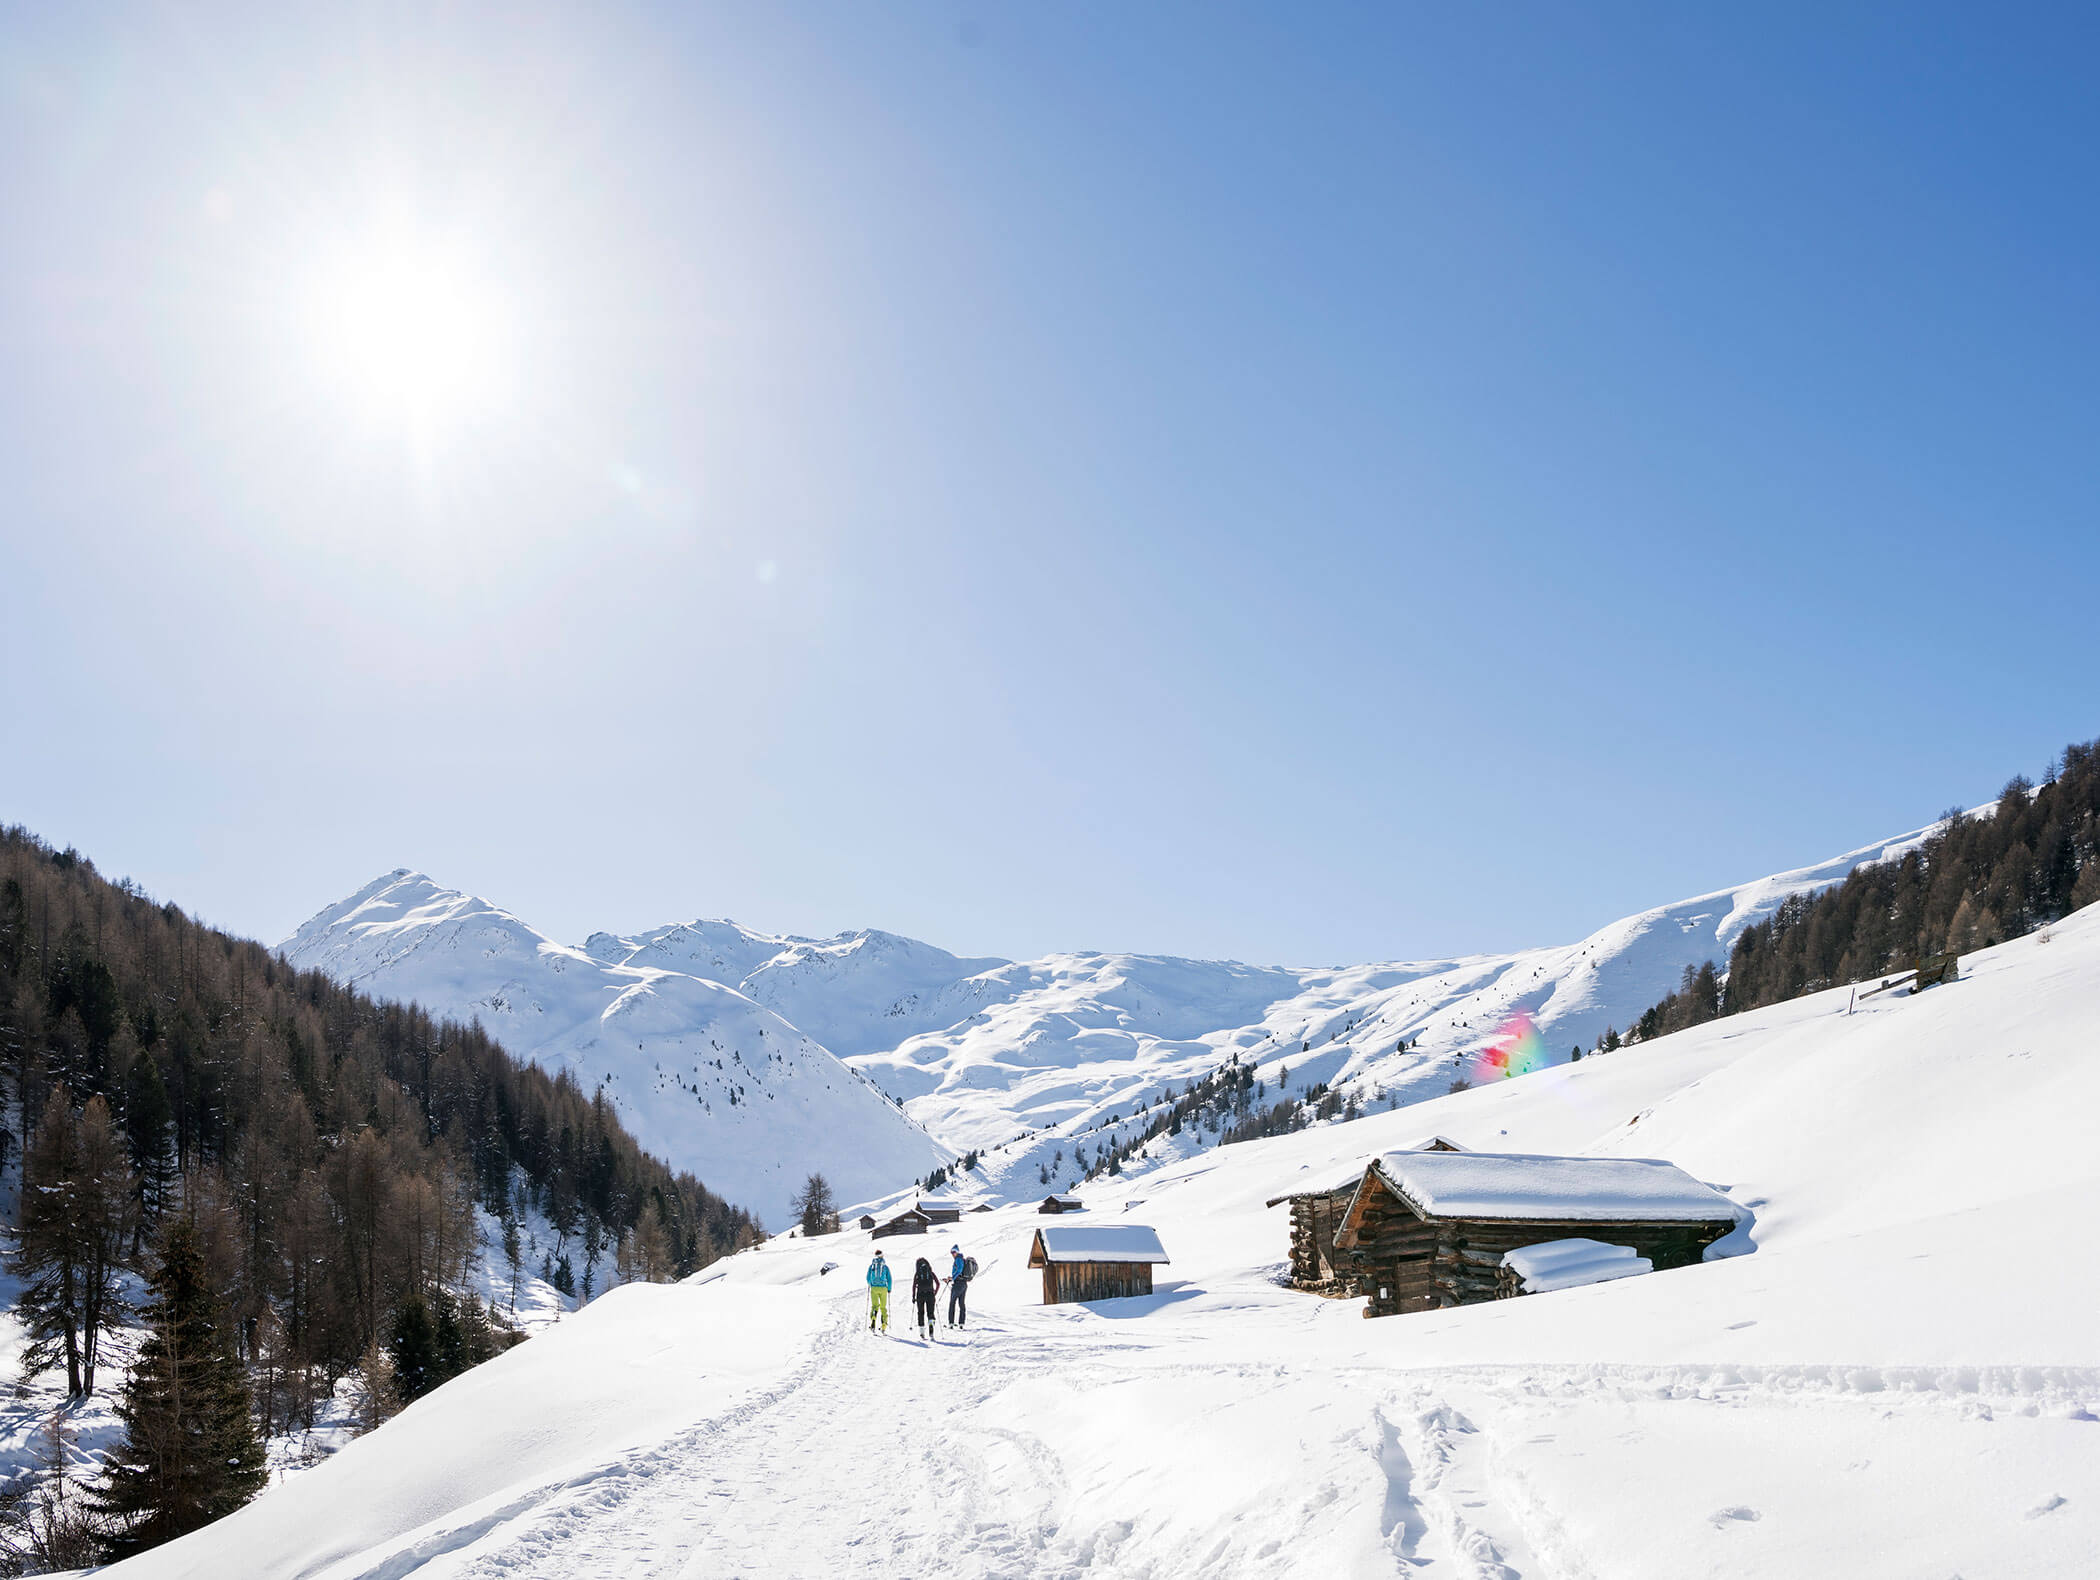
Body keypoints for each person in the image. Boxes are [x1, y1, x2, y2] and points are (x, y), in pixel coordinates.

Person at [911, 1256, 939, 1338]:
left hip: (920, 1294)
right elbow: (938, 1284)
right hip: (930, 1294)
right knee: (930, 1312)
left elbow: (914, 1286)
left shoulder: (918, 1273)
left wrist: (913, 1296)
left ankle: (922, 1332)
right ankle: (931, 1324)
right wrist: (935, 1293)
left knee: (921, 1312)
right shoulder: (930, 1272)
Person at [865, 1249, 891, 1333]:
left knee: (874, 1306)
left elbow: (868, 1278)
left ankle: (873, 1319)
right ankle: (883, 1325)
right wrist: (889, 1289)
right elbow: (889, 1279)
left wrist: (870, 1284)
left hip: (874, 1288)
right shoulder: (885, 1267)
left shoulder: (872, 1266)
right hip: (883, 1288)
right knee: (883, 1307)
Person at [947, 1243, 971, 1328]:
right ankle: (961, 1323)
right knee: (961, 1303)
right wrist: (952, 1278)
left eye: (954, 1252)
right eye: (951, 1252)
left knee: (952, 1303)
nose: (952, 1254)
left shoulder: (958, 1259)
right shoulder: (962, 1259)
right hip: (964, 1284)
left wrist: (952, 1278)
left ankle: (951, 1323)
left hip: (958, 1284)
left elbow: (959, 1270)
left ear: (957, 1252)